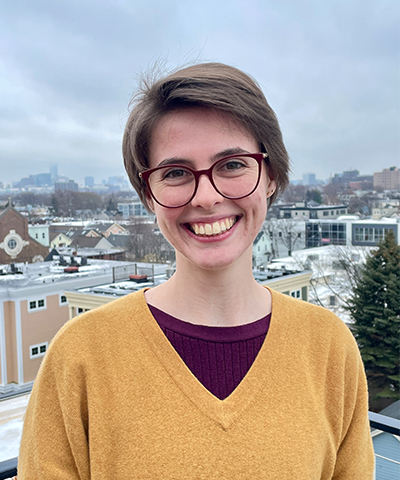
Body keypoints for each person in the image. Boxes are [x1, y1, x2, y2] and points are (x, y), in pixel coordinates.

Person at [18, 63, 374, 479]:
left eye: (233, 165)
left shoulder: (328, 346)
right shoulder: (81, 355)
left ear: (271, 175)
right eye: (175, 173)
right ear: (148, 195)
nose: (206, 197)